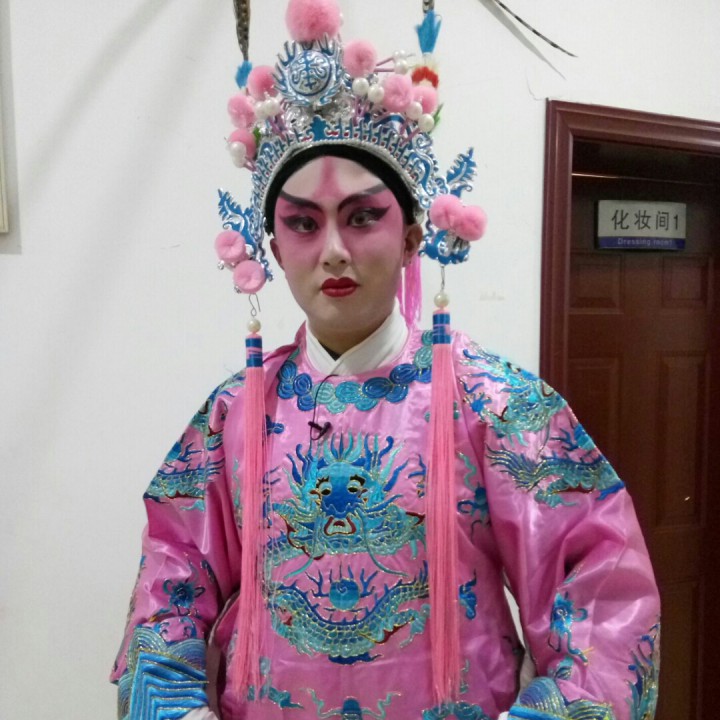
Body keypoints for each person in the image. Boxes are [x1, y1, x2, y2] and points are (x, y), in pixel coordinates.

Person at [111, 2, 660, 719]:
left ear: (411, 237)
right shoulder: (234, 415)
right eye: (303, 223)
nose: (334, 251)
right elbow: (170, 587)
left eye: (363, 216)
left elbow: (603, 597)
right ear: (273, 248)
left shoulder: (498, 406)